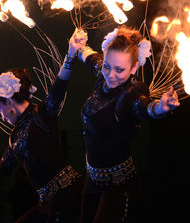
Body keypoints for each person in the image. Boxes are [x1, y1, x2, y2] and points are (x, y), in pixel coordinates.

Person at [0, 29, 87, 223]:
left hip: (71, 197)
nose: (2, 117)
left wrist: (71, 54)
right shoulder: (15, 138)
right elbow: (1, 171)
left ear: (10, 103)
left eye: (0, 110)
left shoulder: (43, 114)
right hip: (48, 204)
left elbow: (59, 85)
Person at [75, 26, 180, 222]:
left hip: (117, 187)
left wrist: (161, 108)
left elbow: (146, 107)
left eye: (120, 70)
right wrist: (80, 46)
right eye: (107, 66)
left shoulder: (132, 93)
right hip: (91, 181)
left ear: (133, 69)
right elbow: (91, 59)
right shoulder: (103, 76)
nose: (110, 74)